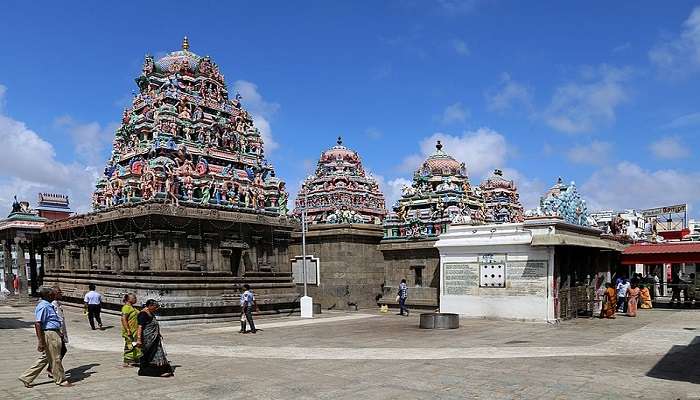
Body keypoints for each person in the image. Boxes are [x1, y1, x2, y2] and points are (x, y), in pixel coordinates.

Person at [18, 287, 73, 387]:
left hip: (54, 332)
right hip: (50, 334)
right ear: (48, 295)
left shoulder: (49, 305)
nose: (54, 295)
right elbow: (38, 324)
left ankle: (26, 377)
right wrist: (40, 341)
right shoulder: (43, 306)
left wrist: (59, 332)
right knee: (56, 358)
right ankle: (61, 380)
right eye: (52, 294)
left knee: (46, 358)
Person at [136, 299, 173, 377]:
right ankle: (148, 371)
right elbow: (140, 327)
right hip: (147, 339)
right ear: (150, 306)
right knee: (148, 354)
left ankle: (162, 369)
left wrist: (158, 333)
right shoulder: (143, 314)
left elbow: (154, 325)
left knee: (158, 353)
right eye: (155, 307)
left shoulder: (151, 313)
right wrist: (139, 339)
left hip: (154, 338)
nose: (156, 309)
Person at [48, 286, 69, 379]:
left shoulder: (58, 304)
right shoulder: (52, 304)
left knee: (60, 351)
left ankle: (51, 369)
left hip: (60, 330)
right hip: (56, 331)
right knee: (60, 351)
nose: (61, 294)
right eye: (59, 292)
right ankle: (53, 370)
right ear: (54, 294)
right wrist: (59, 331)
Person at [121, 293, 141, 367]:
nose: (136, 299)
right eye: (134, 298)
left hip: (135, 330)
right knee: (129, 346)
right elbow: (123, 319)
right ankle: (126, 361)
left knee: (135, 345)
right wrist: (128, 329)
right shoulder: (126, 307)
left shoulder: (132, 308)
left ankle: (134, 359)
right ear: (129, 299)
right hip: (130, 331)